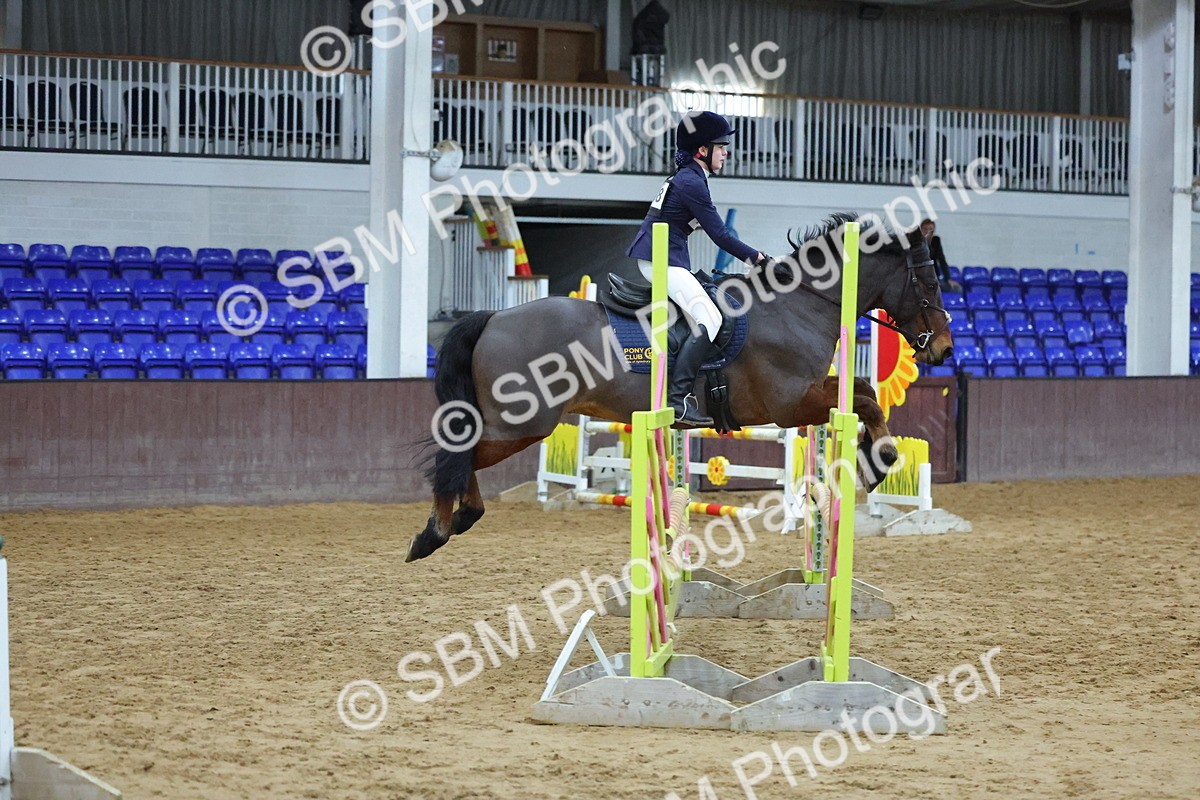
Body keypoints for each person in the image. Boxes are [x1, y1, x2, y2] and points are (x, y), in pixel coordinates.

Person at [625, 111, 769, 427]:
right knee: (711, 317)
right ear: (702, 150)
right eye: (721, 146)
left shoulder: (689, 177)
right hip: (661, 260)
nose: (726, 152)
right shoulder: (691, 182)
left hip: (665, 256)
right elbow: (720, 234)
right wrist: (756, 258)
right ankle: (677, 401)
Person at [920, 218, 961, 293]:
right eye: (925, 229)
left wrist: (948, 279)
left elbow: (942, 260)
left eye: (930, 229)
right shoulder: (916, 243)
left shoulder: (936, 241)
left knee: (957, 289)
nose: (927, 231)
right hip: (919, 279)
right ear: (921, 230)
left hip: (934, 278)